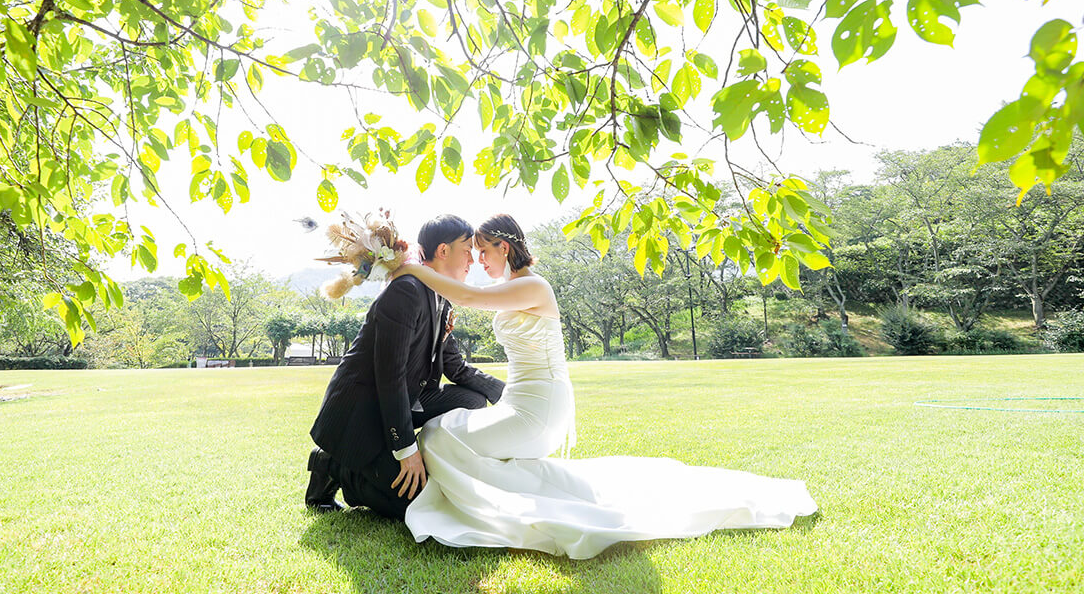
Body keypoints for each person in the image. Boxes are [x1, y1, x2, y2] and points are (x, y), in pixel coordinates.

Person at [392, 214, 818, 559]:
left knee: (435, 435)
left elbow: (466, 297)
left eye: (483, 252)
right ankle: (505, 492)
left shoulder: (534, 286)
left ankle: (488, 508)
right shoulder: (511, 287)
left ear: (505, 247)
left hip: (537, 409)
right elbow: (466, 298)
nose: (479, 262)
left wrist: (409, 267)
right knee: (443, 431)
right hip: (526, 403)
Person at [306, 214, 505, 519]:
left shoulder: (440, 296)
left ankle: (427, 458)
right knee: (418, 503)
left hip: (405, 400)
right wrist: (406, 450)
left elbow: (455, 367)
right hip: (363, 411)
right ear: (442, 251)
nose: (472, 261)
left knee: (473, 400)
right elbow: (391, 378)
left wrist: (508, 394)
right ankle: (333, 464)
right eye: (467, 250)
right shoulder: (407, 291)